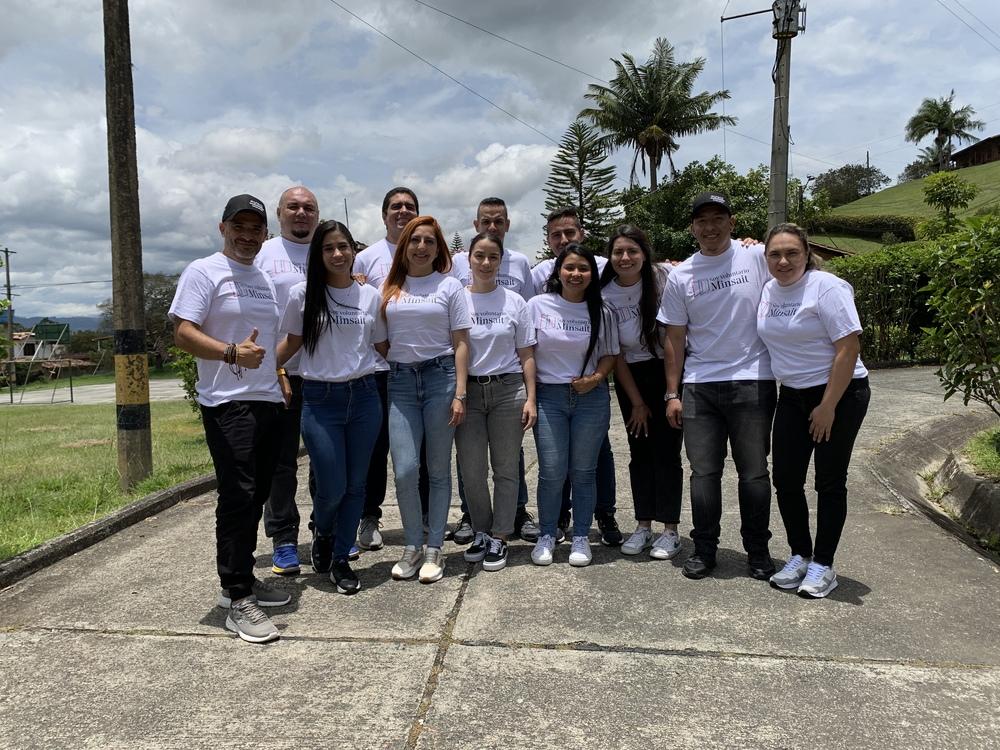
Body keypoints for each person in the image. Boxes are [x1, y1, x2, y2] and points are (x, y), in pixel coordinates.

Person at [169, 194, 290, 644]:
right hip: (227, 401)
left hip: (266, 399)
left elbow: (271, 337)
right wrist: (231, 352)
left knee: (257, 492)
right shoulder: (204, 272)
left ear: (265, 233)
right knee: (238, 495)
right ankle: (237, 596)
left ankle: (242, 577)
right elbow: (182, 332)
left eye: (256, 228)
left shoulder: (262, 277)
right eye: (239, 226)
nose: (247, 235)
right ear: (223, 228)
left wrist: (277, 373)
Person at [659, 191, 777, 581]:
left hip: (752, 380)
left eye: (717, 219)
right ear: (693, 228)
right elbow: (674, 338)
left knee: (754, 473)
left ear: (732, 222)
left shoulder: (756, 257)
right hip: (700, 385)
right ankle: (704, 549)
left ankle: (757, 551)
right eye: (702, 221)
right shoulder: (681, 275)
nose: (710, 227)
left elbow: (798, 270)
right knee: (704, 473)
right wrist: (672, 393)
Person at [756, 223, 870, 598]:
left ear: (806, 253)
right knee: (786, 480)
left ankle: (824, 564)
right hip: (791, 395)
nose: (783, 261)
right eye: (775, 254)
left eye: (792, 253)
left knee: (829, 481)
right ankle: (800, 554)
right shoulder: (769, 289)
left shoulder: (827, 287)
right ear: (766, 257)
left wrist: (828, 406)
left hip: (840, 394)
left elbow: (848, 348)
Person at [277, 220, 386, 595]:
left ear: (353, 250)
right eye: (329, 248)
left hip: (365, 397)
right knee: (332, 486)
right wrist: (271, 370)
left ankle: (340, 557)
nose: (338, 254)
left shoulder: (370, 296)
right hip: (321, 401)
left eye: (344, 247)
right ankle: (322, 531)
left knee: (356, 485)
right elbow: (290, 342)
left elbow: (384, 346)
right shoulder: (302, 294)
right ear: (318, 255)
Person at [381, 216, 471, 584]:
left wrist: (460, 393)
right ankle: (412, 545)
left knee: (437, 469)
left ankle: (435, 547)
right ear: (404, 245)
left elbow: (462, 342)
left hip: (441, 378)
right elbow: (379, 340)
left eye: (429, 242)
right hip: (401, 382)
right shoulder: (390, 287)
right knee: (404, 470)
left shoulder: (449, 287)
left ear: (439, 248)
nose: (421, 247)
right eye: (414, 240)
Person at [529, 207, 622, 547]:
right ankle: (547, 533)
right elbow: (526, 353)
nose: (576, 273)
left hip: (590, 398)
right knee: (552, 471)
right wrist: (530, 397)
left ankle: (582, 535)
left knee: (585, 471)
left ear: (592, 273)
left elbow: (612, 354)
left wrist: (596, 378)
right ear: (558, 270)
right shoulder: (538, 305)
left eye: (583, 268)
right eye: (569, 267)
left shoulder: (603, 310)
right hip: (550, 397)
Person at [449, 197, 539, 543]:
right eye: (479, 256)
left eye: (493, 257)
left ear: (502, 261)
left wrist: (531, 398)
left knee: (505, 469)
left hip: (508, 390)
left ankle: (501, 535)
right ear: (468, 260)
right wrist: (457, 393)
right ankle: (482, 529)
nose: (486, 263)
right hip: (468, 392)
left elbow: (526, 354)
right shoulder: (456, 297)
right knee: (471, 471)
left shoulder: (515, 301)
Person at [600, 225, 684, 560]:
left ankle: (671, 530)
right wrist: (636, 402)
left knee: (667, 452)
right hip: (629, 377)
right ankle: (643, 525)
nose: (624, 258)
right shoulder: (605, 292)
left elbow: (671, 339)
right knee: (640, 451)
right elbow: (615, 352)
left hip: (667, 370)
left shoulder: (663, 279)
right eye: (618, 252)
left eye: (632, 251)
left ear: (644, 253)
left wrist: (671, 392)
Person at [254, 186, 320, 575]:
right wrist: (274, 368)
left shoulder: (329, 253)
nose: (301, 213)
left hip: (322, 375)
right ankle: (283, 540)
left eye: (308, 208)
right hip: (280, 374)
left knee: (325, 463)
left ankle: (322, 532)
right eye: (293, 207)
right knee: (280, 463)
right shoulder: (264, 256)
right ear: (279, 214)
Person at [351, 187, 420, 552]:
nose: (403, 211)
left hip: (419, 367)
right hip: (377, 369)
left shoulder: (427, 251)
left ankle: (423, 516)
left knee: (419, 448)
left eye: (410, 206)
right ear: (384, 215)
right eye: (396, 206)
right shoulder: (365, 258)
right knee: (375, 449)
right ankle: (369, 516)